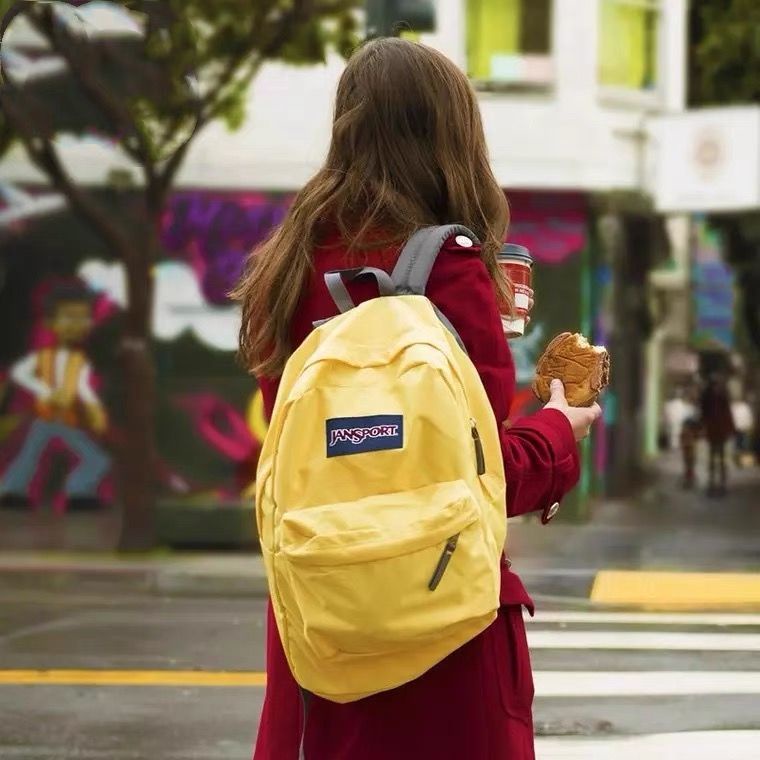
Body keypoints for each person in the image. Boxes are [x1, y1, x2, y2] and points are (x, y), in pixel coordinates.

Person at [233, 39, 601, 760]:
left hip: (320, 623)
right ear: (453, 136)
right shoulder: (451, 271)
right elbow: (479, 475)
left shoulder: (285, 267)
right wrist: (560, 429)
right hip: (440, 630)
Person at [0, 282, 110, 510]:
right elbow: (19, 374)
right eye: (69, 317)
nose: (77, 324)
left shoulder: (80, 362)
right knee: (28, 456)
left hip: (67, 421)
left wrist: (94, 409)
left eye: (83, 318)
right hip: (45, 419)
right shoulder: (41, 356)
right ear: (51, 323)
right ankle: (12, 492)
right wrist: (47, 392)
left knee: (97, 459)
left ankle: (79, 492)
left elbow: (83, 389)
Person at [700, 374, 735, 497]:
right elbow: (704, 414)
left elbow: (727, 413)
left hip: (718, 430)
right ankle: (715, 481)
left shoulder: (715, 397)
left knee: (718, 456)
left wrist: (730, 429)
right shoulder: (715, 397)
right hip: (715, 430)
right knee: (715, 456)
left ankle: (718, 481)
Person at [731, 393, 754, 466]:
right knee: (737, 445)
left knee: (744, 445)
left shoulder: (744, 407)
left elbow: (748, 416)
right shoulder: (733, 407)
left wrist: (749, 425)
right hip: (736, 429)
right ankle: (737, 461)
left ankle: (743, 461)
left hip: (744, 428)